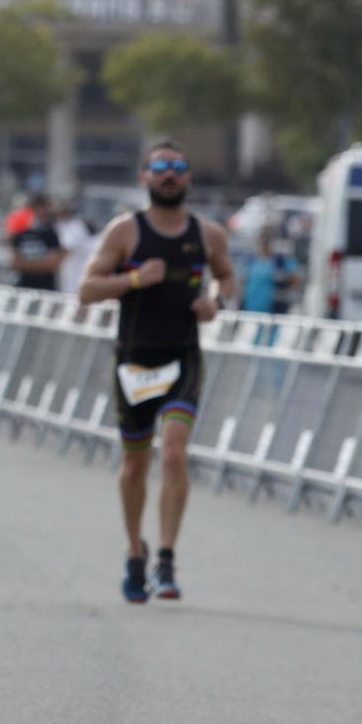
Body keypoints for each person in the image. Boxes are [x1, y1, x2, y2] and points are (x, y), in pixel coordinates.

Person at [78, 143, 236, 604]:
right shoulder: (124, 232)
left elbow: (226, 277)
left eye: (178, 168)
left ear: (188, 178)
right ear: (144, 176)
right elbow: (86, 289)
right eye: (161, 168)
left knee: (173, 453)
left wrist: (216, 302)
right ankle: (135, 551)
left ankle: (166, 559)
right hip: (134, 361)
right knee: (134, 466)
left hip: (183, 357)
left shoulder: (208, 235)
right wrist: (130, 281)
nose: (170, 176)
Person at [9, 193, 66, 291]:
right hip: (24, 287)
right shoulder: (20, 233)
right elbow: (15, 262)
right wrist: (40, 263)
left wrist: (28, 263)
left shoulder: (51, 234)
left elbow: (53, 264)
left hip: (46, 287)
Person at [240, 226, 298, 318]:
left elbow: (294, 279)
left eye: (268, 238)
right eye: (262, 238)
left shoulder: (281, 261)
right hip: (250, 309)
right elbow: (242, 282)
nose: (264, 242)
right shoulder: (251, 260)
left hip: (274, 311)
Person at [55, 199, 95, 297]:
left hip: (77, 273)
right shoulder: (62, 225)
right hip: (67, 272)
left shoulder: (75, 226)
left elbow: (66, 249)